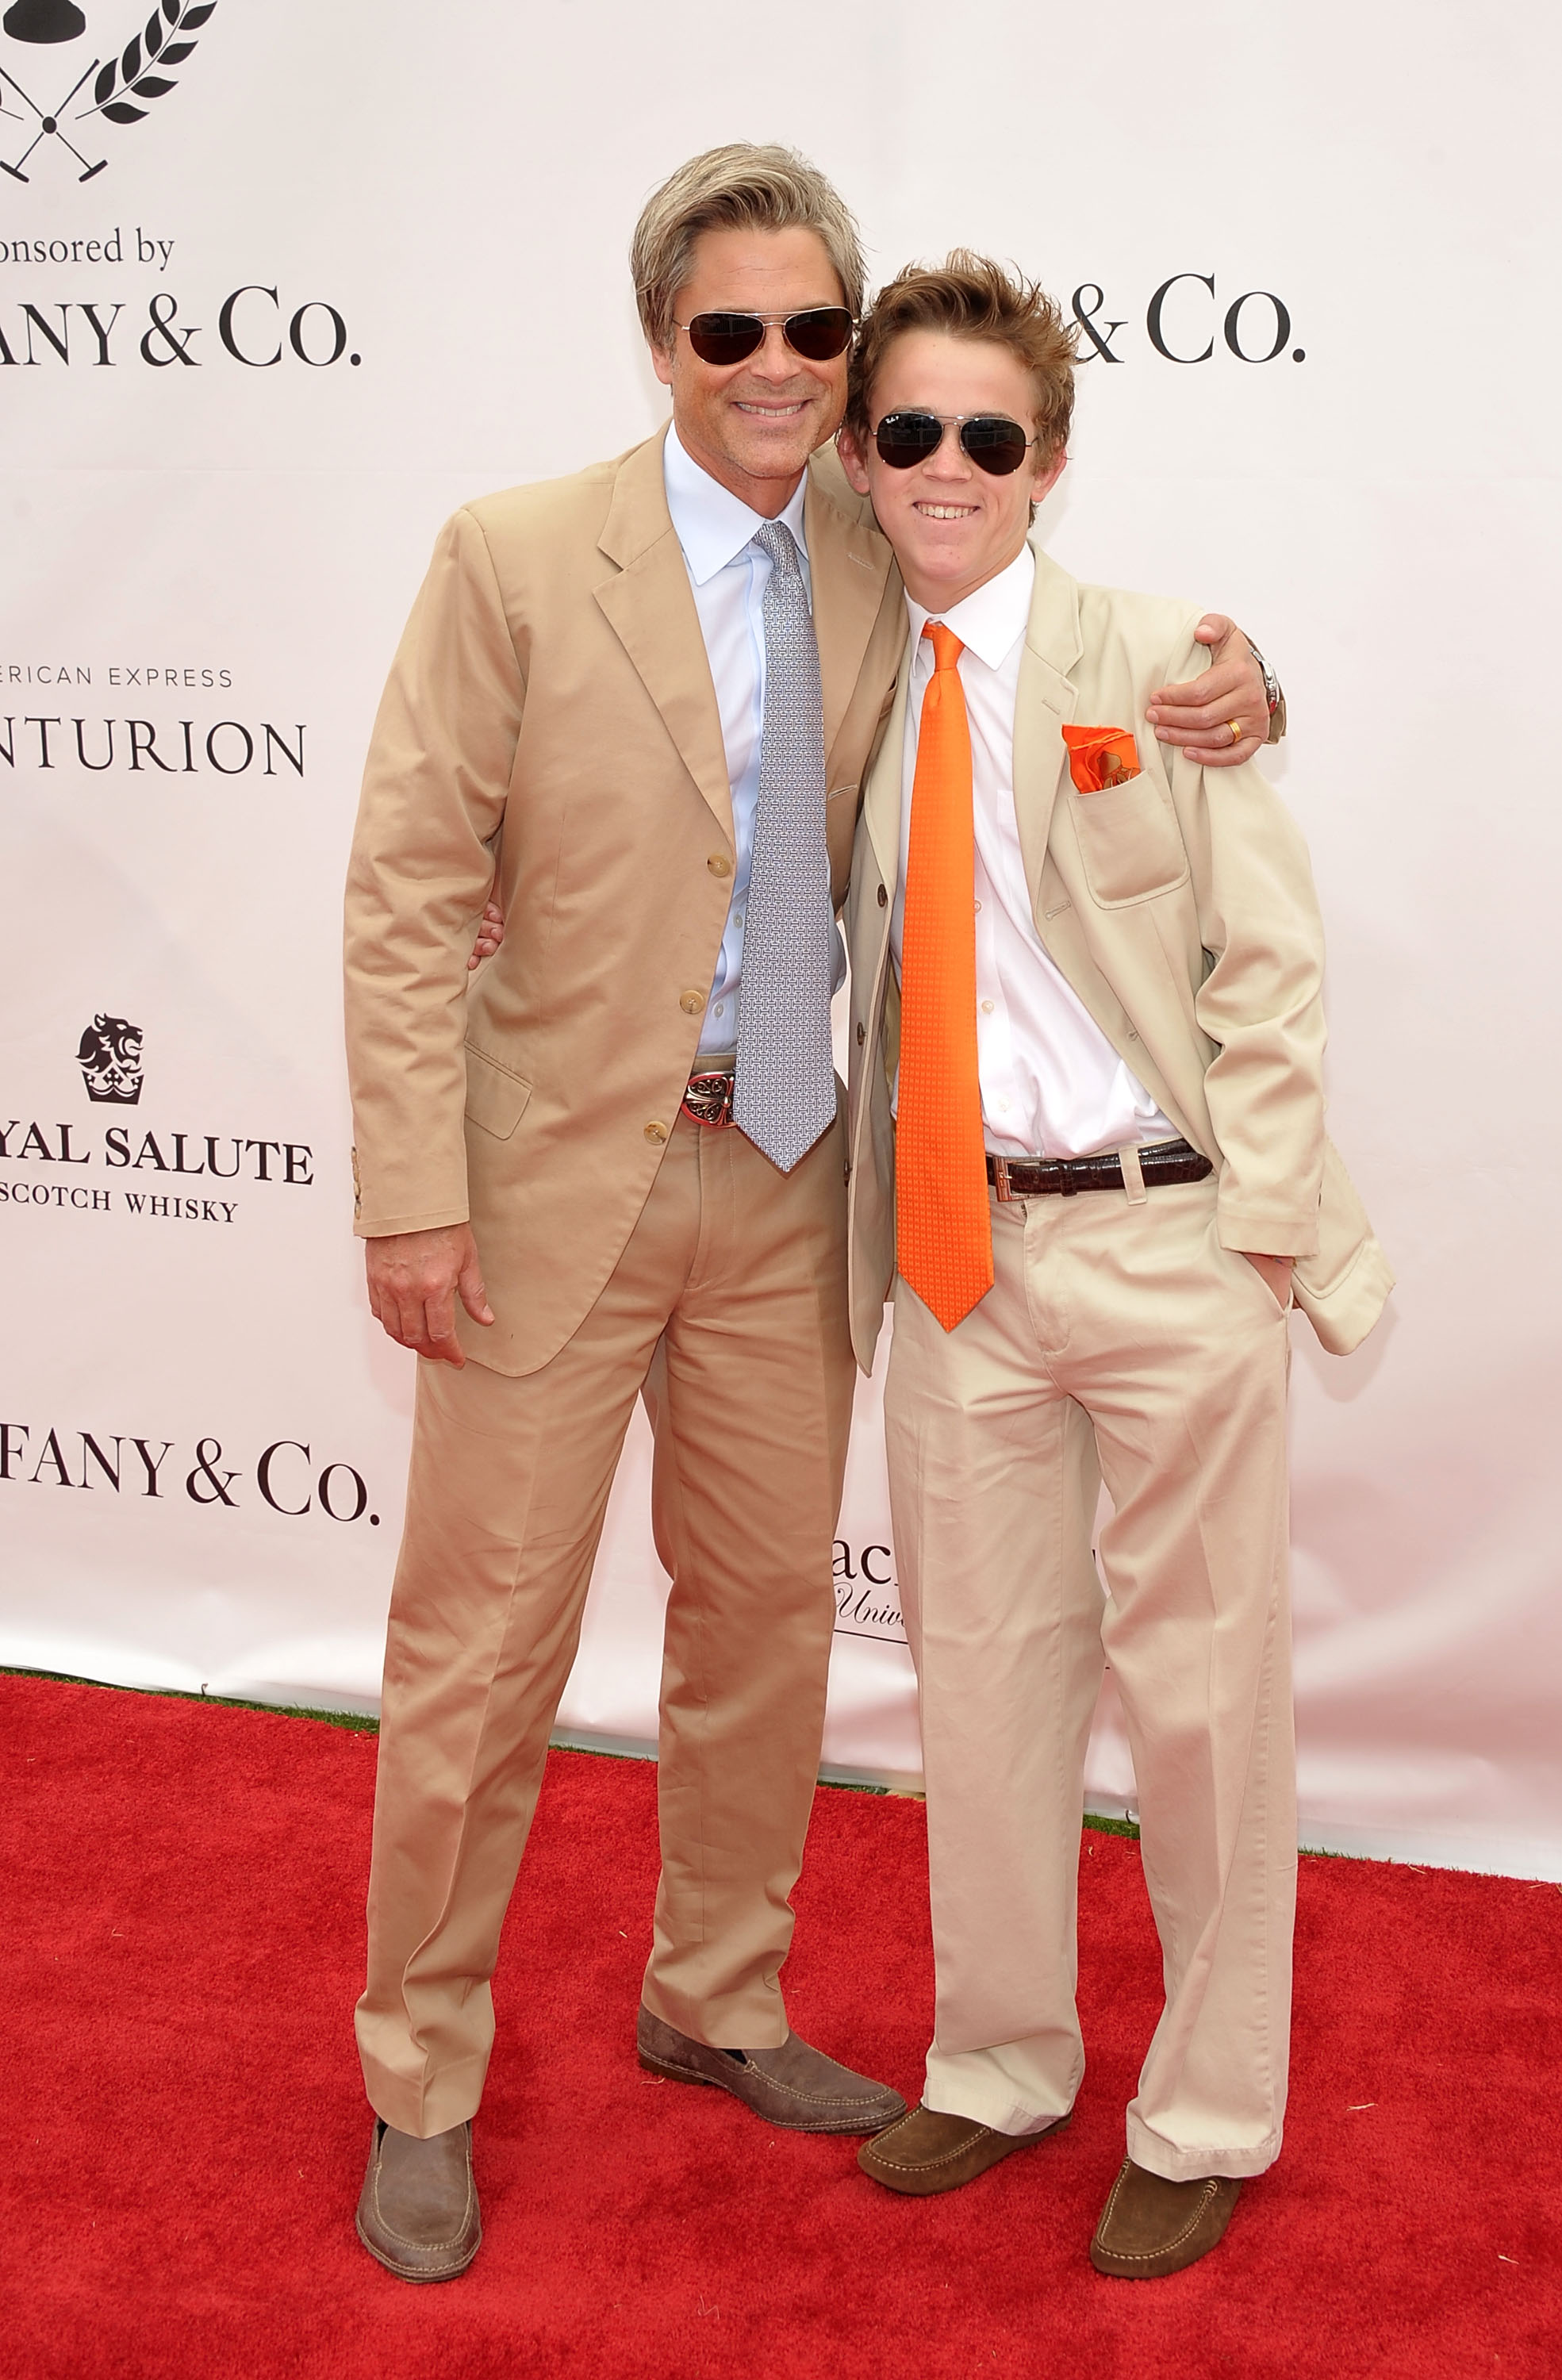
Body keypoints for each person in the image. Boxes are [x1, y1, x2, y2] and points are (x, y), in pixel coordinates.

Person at [342, 148, 1276, 2283]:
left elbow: (1081, 651)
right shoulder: (508, 555)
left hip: (791, 1181)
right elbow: (406, 889)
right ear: (664, 338)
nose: (776, 370)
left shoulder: (885, 536)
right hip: (543, 1182)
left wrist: (1244, 691)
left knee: (762, 1631)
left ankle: (721, 1999)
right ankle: (423, 2075)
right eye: (727, 330)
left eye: (811, 334)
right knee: (476, 1662)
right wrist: (412, 1193)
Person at [836, 255, 1391, 2275]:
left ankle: (1210, 2105)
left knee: (1203, 1699)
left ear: (1047, 461)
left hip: (1170, 1244)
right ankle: (995, 2062)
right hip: (957, 1254)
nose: (948, 467)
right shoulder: (842, 675)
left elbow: (1271, 963)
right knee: (977, 1685)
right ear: (861, 452)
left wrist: (1248, 1237)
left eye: (990, 434)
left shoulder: (1164, 658)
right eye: (910, 431)